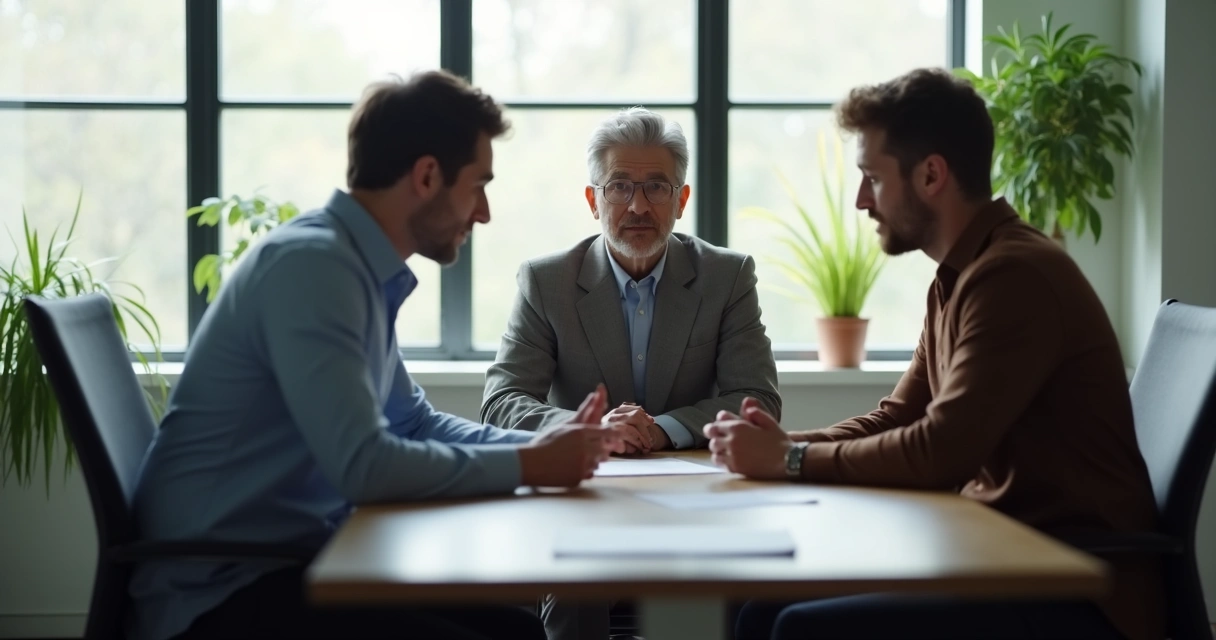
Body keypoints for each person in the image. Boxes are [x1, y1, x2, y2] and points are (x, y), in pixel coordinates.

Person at [128, 70, 621, 640]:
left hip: (288, 563)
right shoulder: (316, 268)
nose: (483, 212)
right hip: (220, 594)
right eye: (477, 185)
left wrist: (546, 446)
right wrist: (533, 465)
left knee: (516, 629)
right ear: (428, 176)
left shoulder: (351, 267)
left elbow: (413, 422)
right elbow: (366, 467)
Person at [707, 68, 1164, 640]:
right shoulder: (960, 276)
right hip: (997, 552)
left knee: (799, 627)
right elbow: (899, 417)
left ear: (930, 175)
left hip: (1073, 587)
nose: (860, 200)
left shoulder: (1014, 276)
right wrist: (779, 446)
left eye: (872, 177)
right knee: (757, 606)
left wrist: (790, 463)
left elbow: (940, 449)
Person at [480, 106, 781, 639]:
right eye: (619, 186)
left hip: (693, 504)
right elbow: (502, 400)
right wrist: (590, 431)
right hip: (582, 495)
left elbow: (757, 398)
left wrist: (659, 428)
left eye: (657, 187)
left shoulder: (727, 276)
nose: (638, 206)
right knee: (577, 588)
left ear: (682, 200)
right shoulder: (547, 282)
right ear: (593, 200)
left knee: (702, 605)